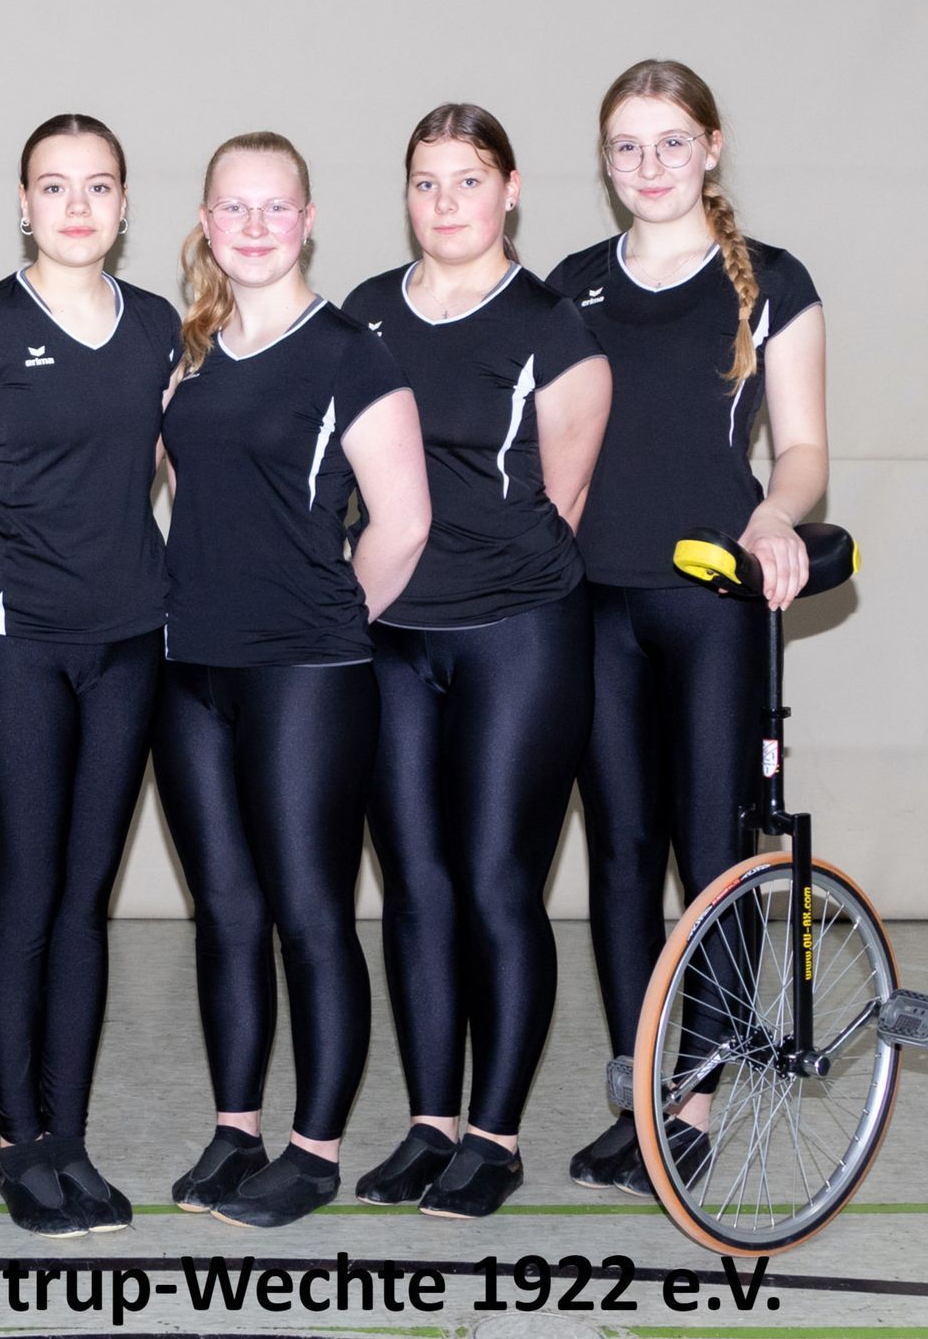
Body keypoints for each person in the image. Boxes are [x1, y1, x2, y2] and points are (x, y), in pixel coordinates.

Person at [547, 59, 828, 1195]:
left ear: (711, 148)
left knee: (710, 853)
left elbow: (802, 448)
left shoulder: (772, 281)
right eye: (627, 146)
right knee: (619, 854)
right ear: (605, 161)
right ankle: (642, 1095)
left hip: (710, 602)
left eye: (671, 142)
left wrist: (773, 514)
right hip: (591, 602)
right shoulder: (572, 285)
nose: (649, 165)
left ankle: (695, 1103)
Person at [155, 131, 431, 1229]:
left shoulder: (351, 354)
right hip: (190, 668)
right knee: (225, 911)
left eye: (277, 207)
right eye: (235, 207)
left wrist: (325, 623)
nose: (255, 227)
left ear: (308, 221)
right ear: (207, 222)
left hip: (306, 672)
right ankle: (237, 1131)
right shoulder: (190, 353)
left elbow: (405, 522)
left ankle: (314, 1152)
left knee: (311, 912)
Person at [343, 104, 610, 1219]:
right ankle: (430, 1125)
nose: (445, 201)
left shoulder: (553, 329)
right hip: (392, 642)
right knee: (414, 886)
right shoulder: (362, 315)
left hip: (518, 636)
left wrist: (482, 589)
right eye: (425, 181)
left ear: (510, 191)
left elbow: (564, 502)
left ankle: (494, 1138)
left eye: (467, 180)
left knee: (499, 884)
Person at [0, 114, 179, 1239]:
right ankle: (18, 1145)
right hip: (11, 648)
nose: (78, 206)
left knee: (85, 901)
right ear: (22, 205)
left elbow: (159, 470)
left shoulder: (161, 328)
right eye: (55, 186)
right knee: (26, 895)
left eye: (99, 185)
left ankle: (69, 1138)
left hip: (127, 647)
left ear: (125, 204)